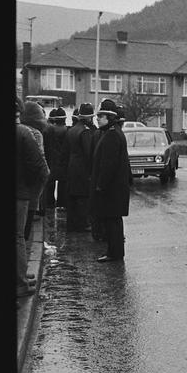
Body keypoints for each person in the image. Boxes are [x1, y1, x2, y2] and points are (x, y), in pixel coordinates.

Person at [90, 99, 131, 262]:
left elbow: (108, 164)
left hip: (111, 189)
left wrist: (100, 185)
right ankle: (115, 252)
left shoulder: (112, 135)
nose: (98, 119)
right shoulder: (113, 132)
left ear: (110, 117)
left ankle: (114, 253)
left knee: (112, 221)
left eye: (101, 116)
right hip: (115, 188)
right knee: (113, 221)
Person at [16, 97, 49, 297]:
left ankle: (20, 275)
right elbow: (41, 168)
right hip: (23, 194)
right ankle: (20, 280)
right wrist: (34, 195)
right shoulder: (29, 133)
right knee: (19, 237)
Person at [59, 103, 96, 232]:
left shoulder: (72, 130)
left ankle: (71, 223)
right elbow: (88, 152)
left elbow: (64, 152)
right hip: (82, 169)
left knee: (72, 197)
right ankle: (83, 223)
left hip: (72, 166)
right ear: (90, 117)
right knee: (83, 197)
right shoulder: (85, 131)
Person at [19, 101, 47, 239]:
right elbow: (39, 162)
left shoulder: (19, 129)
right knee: (23, 233)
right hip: (29, 188)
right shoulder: (35, 134)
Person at [42, 106, 69, 214]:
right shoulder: (67, 130)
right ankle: (61, 203)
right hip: (63, 162)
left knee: (50, 183)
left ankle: (50, 203)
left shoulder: (48, 130)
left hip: (51, 160)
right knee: (62, 183)